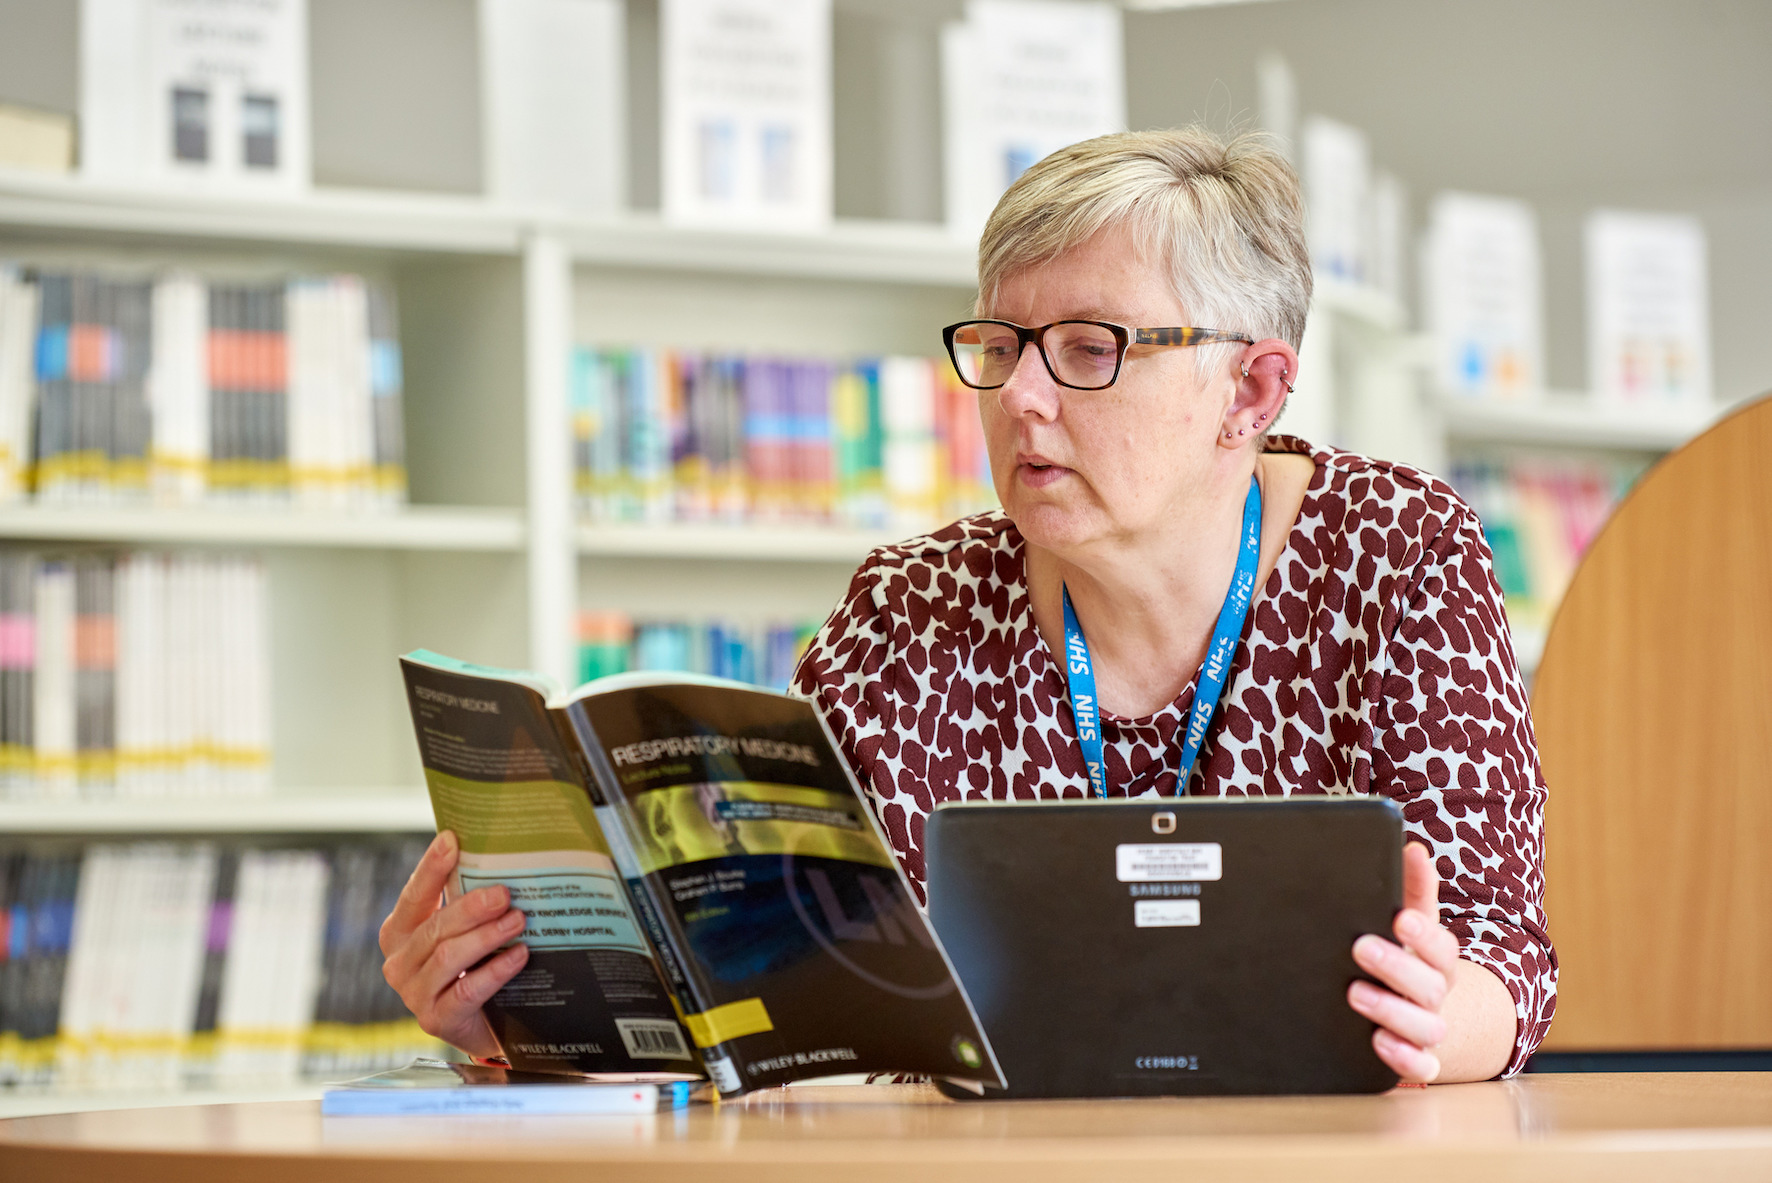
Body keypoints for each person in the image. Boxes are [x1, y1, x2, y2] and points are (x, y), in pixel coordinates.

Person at [380, 126, 1554, 1084]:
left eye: (1087, 348)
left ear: (1247, 388)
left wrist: (1440, 1021)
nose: (1022, 398)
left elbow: (1501, 959)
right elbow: (769, 994)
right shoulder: (911, 607)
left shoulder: (1397, 554)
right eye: (999, 344)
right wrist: (526, 1022)